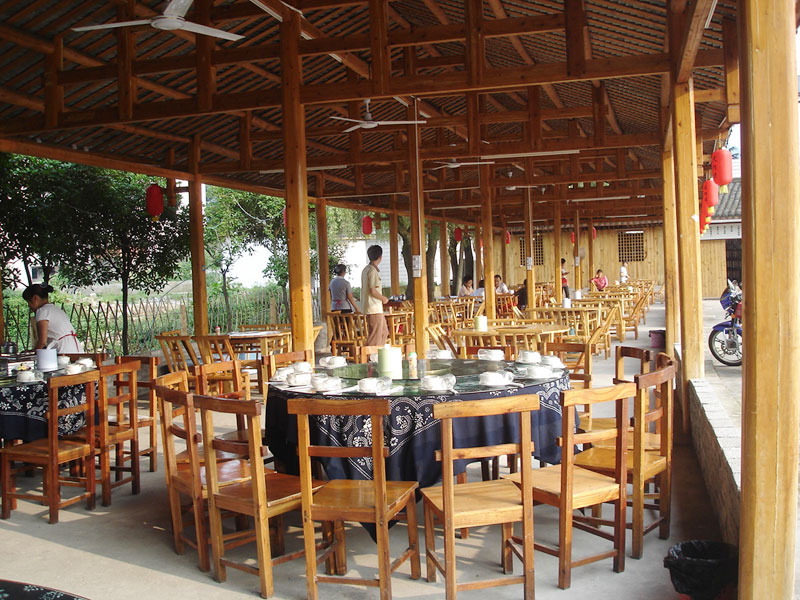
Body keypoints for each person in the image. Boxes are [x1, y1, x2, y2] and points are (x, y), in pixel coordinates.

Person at [23, 284, 84, 353]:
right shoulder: (56, 309)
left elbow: (42, 342)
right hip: (74, 346)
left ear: (35, 298)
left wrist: (32, 353)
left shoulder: (42, 311)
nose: (29, 306)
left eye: (28, 302)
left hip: (63, 348)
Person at [361, 245, 389, 346]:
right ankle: (370, 353)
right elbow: (372, 291)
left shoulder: (366, 269)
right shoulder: (372, 270)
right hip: (374, 308)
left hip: (374, 308)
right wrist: (383, 298)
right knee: (375, 336)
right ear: (380, 257)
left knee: (383, 333)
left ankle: (378, 352)